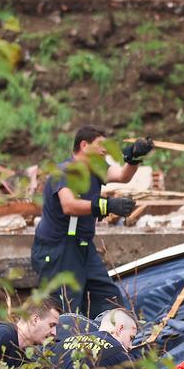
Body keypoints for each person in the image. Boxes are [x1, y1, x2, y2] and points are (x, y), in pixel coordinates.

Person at [31, 125, 152, 317]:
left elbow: (122, 176)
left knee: (109, 300)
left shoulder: (96, 169)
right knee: (65, 310)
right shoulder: (65, 172)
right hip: (58, 250)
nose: (104, 150)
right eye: (100, 145)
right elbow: (69, 205)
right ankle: (59, 345)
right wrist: (107, 206)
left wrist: (134, 158)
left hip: (84, 247)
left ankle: (109, 341)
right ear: (84, 145)